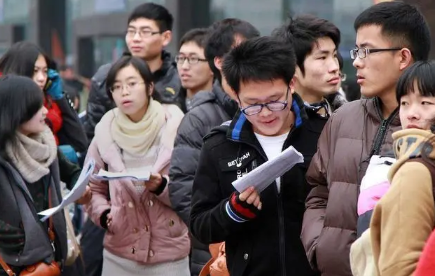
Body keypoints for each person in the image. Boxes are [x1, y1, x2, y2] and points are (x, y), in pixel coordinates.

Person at [300, 2, 431, 275]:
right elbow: (317, 191)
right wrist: (320, 246)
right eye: (356, 50)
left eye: (367, 51)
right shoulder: (342, 118)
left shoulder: (428, 129)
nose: (356, 60)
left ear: (403, 57)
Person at [190, 36, 320, 276]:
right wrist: (232, 211)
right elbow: (200, 225)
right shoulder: (219, 146)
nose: (265, 113)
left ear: (291, 84)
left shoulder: (323, 132)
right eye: (252, 104)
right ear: (235, 96)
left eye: (274, 101)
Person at [168, 19, 260, 276]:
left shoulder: (265, 109)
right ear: (219, 62)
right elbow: (184, 188)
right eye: (241, 51)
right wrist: (221, 235)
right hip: (216, 251)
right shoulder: (200, 118)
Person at [85, 56, 189, 276]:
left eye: (132, 84)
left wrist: (161, 186)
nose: (124, 92)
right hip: (120, 253)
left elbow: (190, 188)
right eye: (117, 87)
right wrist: (105, 215)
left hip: (168, 254)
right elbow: (93, 188)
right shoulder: (104, 133)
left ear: (150, 87)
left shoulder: (176, 127)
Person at [0, 75, 91, 276]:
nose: (44, 112)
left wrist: (81, 190)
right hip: (8, 262)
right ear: (16, 112)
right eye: (36, 107)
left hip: (50, 255)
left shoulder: (46, 145)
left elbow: (74, 173)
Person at [369, 61, 435, 275]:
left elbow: (398, 268)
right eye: (405, 103)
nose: (411, 114)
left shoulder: (414, 171)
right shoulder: (413, 166)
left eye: (425, 102)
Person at [83, 2, 181, 142]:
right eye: (131, 31)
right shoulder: (105, 76)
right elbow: (93, 134)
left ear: (165, 37)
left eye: (145, 32)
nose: (135, 38)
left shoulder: (179, 75)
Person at [0, 41, 88, 162]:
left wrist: (60, 97)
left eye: (45, 71)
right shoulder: (6, 103)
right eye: (35, 71)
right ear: (19, 70)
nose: (41, 78)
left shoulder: (50, 100)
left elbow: (80, 142)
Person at [273, 14, 346, 117]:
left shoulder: (348, 115)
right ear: (292, 67)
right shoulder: (278, 122)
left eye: (334, 55)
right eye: (322, 57)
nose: (335, 67)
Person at [175, 28, 214, 112]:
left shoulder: (226, 108)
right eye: (181, 58)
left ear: (213, 65)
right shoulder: (169, 105)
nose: (184, 66)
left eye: (193, 59)